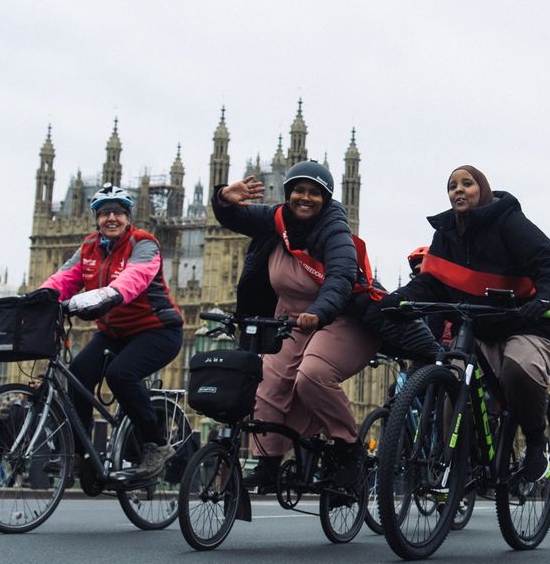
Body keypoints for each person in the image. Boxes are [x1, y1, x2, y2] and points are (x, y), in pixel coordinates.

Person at [381, 165, 550, 481]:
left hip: (525, 323)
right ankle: (456, 464)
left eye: (466, 183)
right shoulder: (446, 234)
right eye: (452, 185)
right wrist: (398, 298)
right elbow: (431, 281)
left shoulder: (510, 222)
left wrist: (544, 301)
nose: (458, 190)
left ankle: (536, 442)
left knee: (519, 365)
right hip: (478, 326)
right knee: (451, 377)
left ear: (482, 189)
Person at [212, 161, 383, 492]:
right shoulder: (276, 221)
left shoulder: (336, 233)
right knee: (268, 379)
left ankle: (349, 448)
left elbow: (340, 280)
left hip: (342, 318)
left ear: (328, 198)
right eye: (299, 191)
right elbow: (234, 217)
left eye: (315, 193)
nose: (305, 198)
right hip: (292, 321)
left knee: (311, 376)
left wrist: (319, 312)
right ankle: (268, 462)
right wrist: (222, 198)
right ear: (288, 194)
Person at [41, 183, 183, 480]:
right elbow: (62, 280)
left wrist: (109, 294)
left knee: (121, 374)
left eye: (118, 212)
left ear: (128, 217)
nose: (111, 218)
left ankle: (156, 443)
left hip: (157, 330)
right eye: (105, 213)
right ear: (96, 218)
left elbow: (135, 278)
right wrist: (34, 300)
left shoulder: (144, 244)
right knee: (78, 372)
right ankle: (79, 456)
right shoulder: (88, 248)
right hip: (115, 333)